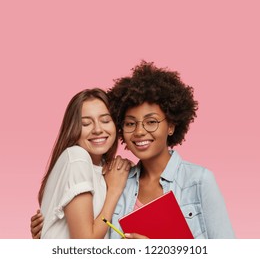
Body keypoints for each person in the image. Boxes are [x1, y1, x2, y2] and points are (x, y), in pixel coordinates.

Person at [31, 61, 235, 239]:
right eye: (130, 124)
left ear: (171, 126)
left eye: (151, 122)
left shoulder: (198, 180)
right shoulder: (117, 182)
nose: (139, 131)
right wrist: (51, 230)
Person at [35, 88, 130, 238]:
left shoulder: (102, 167)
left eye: (105, 120)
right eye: (86, 123)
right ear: (73, 129)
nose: (98, 129)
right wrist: (114, 190)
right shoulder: (77, 157)